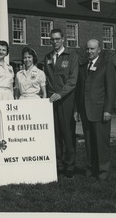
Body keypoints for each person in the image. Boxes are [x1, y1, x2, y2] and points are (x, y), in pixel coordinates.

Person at [73, 39, 116, 180]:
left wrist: (108, 110)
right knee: (89, 143)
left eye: (92, 49)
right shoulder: (83, 67)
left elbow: (111, 89)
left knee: (101, 143)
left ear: (99, 50)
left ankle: (103, 171)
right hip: (86, 111)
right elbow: (79, 91)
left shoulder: (106, 65)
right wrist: (77, 110)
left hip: (100, 111)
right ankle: (90, 169)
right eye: (88, 49)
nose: (89, 52)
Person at [44, 28, 79, 178]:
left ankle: (70, 165)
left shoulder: (71, 56)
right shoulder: (47, 57)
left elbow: (73, 80)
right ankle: (57, 164)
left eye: (57, 39)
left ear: (63, 39)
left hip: (66, 99)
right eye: (52, 39)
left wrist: (61, 93)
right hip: (52, 100)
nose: (55, 42)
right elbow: (45, 79)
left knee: (67, 132)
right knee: (55, 133)